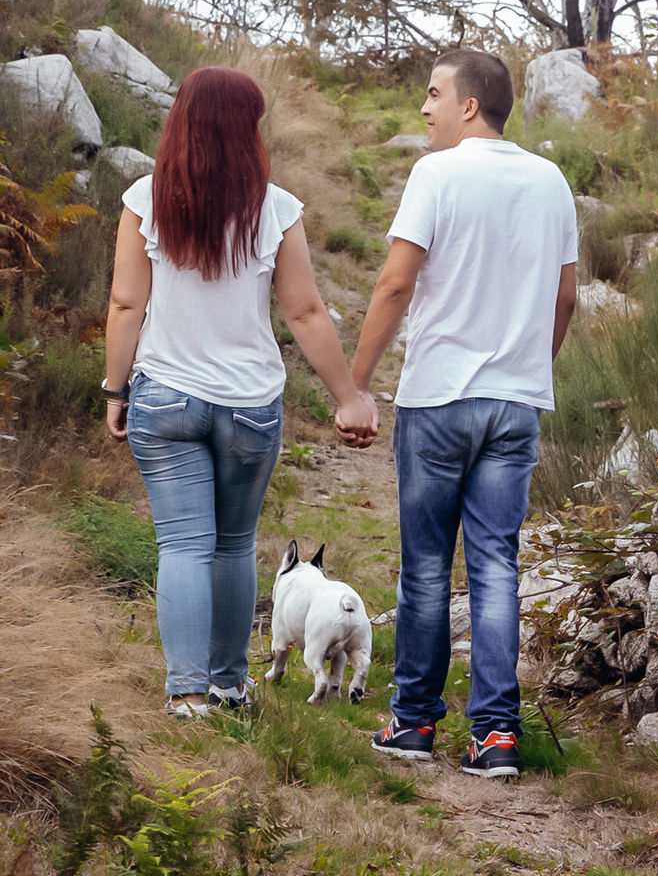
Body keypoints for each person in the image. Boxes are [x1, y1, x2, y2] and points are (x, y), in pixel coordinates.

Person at [104, 66, 379, 719]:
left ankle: (188, 695)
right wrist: (348, 397)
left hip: (166, 397)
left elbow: (124, 303)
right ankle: (229, 685)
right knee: (231, 545)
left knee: (182, 546)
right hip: (249, 406)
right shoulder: (274, 208)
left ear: (180, 122)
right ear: (248, 130)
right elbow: (307, 312)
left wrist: (116, 389)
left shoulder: (145, 200)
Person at [354, 48, 577, 779]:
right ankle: (496, 738)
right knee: (495, 568)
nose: (425, 108)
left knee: (424, 568)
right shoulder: (550, 180)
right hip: (515, 405)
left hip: (440, 400)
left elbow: (394, 285)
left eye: (434, 94)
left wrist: (356, 381)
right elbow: (566, 297)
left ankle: (414, 723)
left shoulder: (437, 174)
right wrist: (529, 369)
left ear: (470, 105)